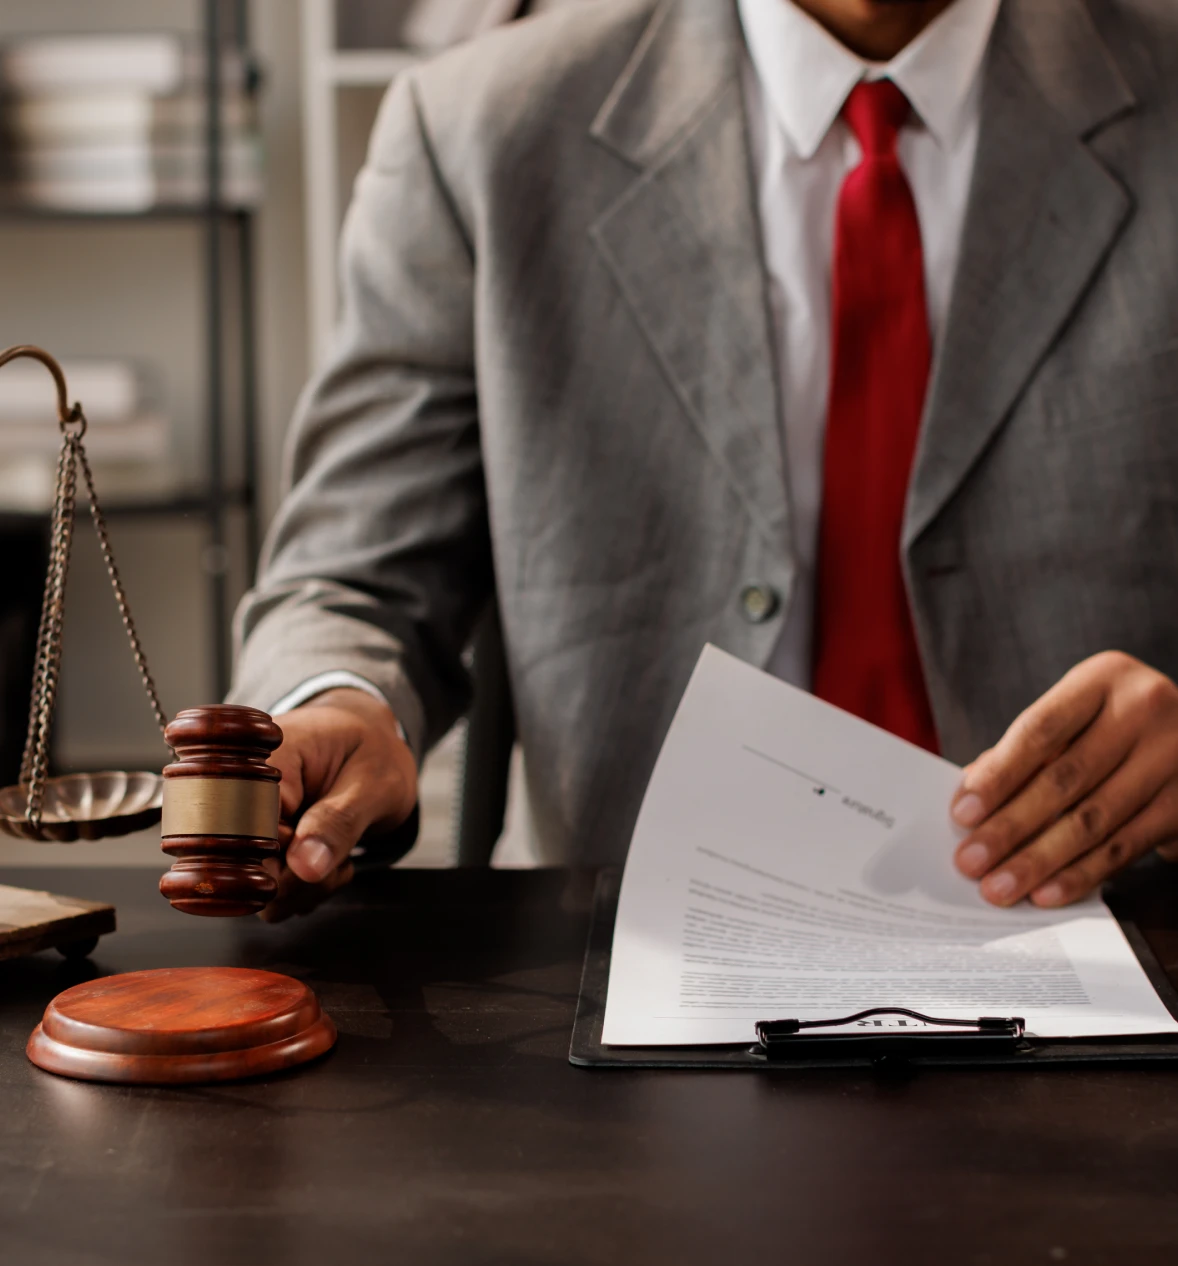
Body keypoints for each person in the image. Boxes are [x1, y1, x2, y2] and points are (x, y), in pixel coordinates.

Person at [232, 0, 1178, 919]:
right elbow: (351, 577)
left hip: (1107, 942)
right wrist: (337, 704)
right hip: (613, 944)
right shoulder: (479, 127)